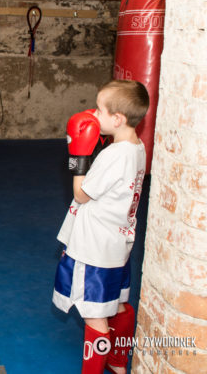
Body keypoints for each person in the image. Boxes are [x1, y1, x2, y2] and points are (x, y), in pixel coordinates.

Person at [52, 80, 149, 374]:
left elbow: (81, 194)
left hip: (93, 251)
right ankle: (118, 363)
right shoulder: (137, 148)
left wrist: (78, 158)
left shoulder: (113, 155)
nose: (93, 114)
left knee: (95, 317)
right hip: (117, 245)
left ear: (117, 119)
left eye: (99, 109)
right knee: (116, 304)